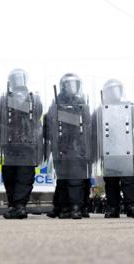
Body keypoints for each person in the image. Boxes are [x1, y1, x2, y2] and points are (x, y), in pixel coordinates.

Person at [0, 69, 43, 219]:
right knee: (9, 176)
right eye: (15, 78)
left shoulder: (34, 99)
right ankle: (13, 205)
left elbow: (37, 117)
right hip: (9, 146)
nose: (18, 81)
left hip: (27, 146)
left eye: (20, 77)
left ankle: (20, 206)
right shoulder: (3, 100)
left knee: (24, 177)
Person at [45, 73, 92, 219]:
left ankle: (76, 207)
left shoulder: (82, 105)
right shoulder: (55, 105)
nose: (72, 87)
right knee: (63, 180)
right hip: (61, 147)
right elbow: (49, 126)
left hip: (77, 148)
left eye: (74, 84)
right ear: (63, 86)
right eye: (69, 84)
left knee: (76, 179)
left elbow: (88, 126)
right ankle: (62, 207)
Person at [93, 79, 134, 218]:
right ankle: (113, 207)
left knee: (129, 181)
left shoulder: (129, 107)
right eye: (111, 90)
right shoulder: (100, 109)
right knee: (111, 182)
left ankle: (132, 206)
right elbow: (95, 129)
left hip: (126, 149)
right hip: (108, 150)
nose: (114, 93)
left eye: (117, 89)